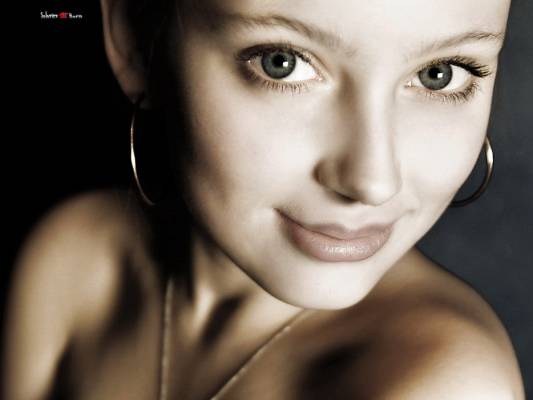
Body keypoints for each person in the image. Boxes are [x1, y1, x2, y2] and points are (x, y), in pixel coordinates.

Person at [3, 0, 526, 399]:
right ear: (137, 40)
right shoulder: (74, 262)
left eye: (440, 75)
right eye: (283, 63)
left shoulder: (444, 385)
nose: (372, 180)